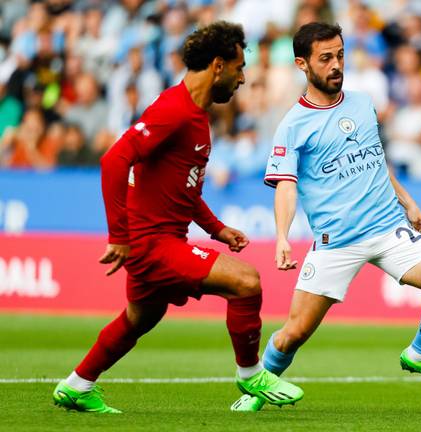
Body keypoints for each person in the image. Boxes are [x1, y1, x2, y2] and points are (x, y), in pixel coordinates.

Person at [52, 21, 303, 414]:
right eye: (238, 67)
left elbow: (185, 190)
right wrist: (119, 235)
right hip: (150, 243)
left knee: (140, 317)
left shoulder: (197, 117)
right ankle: (251, 373)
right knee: (246, 281)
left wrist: (216, 229)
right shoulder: (174, 110)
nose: (242, 78)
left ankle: (77, 385)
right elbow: (114, 159)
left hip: (164, 238)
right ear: (218, 66)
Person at [230, 22, 421, 412]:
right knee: (293, 334)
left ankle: (419, 353)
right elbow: (286, 186)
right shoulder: (292, 125)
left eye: (340, 55)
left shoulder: (362, 103)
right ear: (302, 64)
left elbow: (374, 158)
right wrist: (281, 238)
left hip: (388, 228)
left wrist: (407, 201)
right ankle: (254, 392)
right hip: (335, 243)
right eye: (325, 58)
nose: (336, 65)